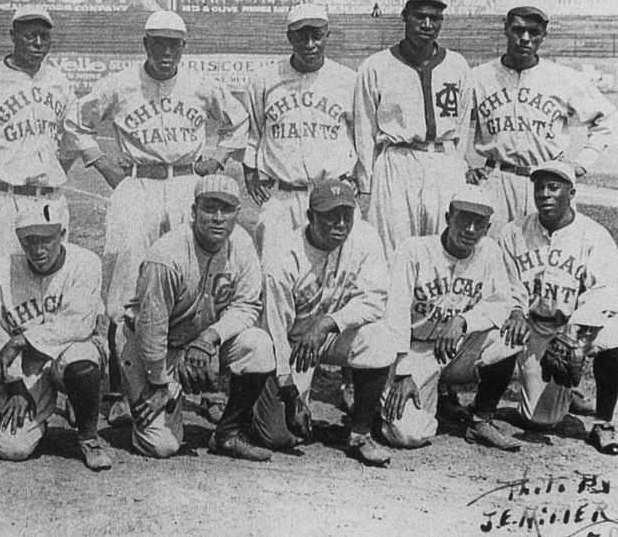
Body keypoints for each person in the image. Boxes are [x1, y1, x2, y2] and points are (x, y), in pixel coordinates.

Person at [64, 10, 247, 414]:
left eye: (174, 43)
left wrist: (215, 161)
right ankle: (117, 386)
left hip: (185, 181)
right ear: (144, 44)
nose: (166, 51)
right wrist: (101, 163)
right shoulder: (120, 84)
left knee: (190, 275)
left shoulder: (199, 84)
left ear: (184, 47)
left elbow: (239, 119)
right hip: (137, 182)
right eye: (158, 42)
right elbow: (76, 121)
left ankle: (194, 383)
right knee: (127, 276)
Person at [0, 5, 78, 393]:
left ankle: (43, 383)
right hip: (4, 198)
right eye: (29, 34)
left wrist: (51, 173)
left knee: (50, 289)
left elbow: (73, 137)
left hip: (48, 199)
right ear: (13, 35)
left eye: (44, 35)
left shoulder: (59, 81)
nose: (37, 42)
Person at [121, 174, 277, 461]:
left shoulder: (241, 242)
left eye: (226, 209)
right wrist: (158, 385)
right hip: (151, 349)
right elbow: (150, 327)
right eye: (210, 208)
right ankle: (137, 402)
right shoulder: (168, 254)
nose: (218, 217)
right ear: (194, 211)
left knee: (259, 345)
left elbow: (248, 306)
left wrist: (210, 339)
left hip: (199, 341)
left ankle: (227, 433)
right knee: (163, 446)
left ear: (237, 214)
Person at [257, 179, 394, 466]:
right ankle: (253, 405)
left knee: (379, 337)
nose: (340, 223)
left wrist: (327, 323)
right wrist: (289, 391)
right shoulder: (283, 254)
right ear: (310, 217)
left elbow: (376, 299)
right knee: (278, 437)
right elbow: (274, 329)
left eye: (346, 215)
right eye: (330, 215)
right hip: (294, 344)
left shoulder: (366, 238)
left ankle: (360, 434)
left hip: (333, 334)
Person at [381, 185, 524, 450]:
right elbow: (395, 314)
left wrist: (463, 321)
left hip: (454, 350)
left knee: (509, 338)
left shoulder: (489, 252)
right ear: (448, 218)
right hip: (411, 349)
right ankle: (423, 399)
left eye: (478, 222)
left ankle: (481, 419)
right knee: (407, 436)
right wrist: (403, 372)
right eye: (464, 218)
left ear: (488, 227)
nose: (470, 229)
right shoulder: (414, 251)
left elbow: (502, 302)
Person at [466, 0, 617, 236]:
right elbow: (450, 125)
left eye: (534, 32)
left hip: (545, 180)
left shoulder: (563, 77)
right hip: (495, 179)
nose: (525, 38)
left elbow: (607, 117)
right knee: (490, 256)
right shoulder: (478, 77)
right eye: (518, 30)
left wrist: (581, 163)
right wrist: (464, 166)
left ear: (543, 35)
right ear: (506, 28)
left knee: (544, 255)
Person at [0, 197, 112, 470]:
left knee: (83, 361)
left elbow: (80, 324)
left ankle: (88, 436)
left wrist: (23, 339)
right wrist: (15, 386)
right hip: (28, 364)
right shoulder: (0, 271)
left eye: (46, 239)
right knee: (11, 448)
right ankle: (35, 416)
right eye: (29, 241)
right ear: (19, 241)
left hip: (73, 350)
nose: (38, 249)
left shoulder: (86, 262)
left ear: (62, 234)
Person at [497, 162, 618, 454]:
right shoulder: (515, 232)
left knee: (616, 333)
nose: (545, 194)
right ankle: (564, 395)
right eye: (540, 187)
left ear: (571, 192)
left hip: (575, 330)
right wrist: (515, 311)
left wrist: (575, 334)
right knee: (539, 421)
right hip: (533, 327)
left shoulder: (595, 236)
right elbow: (506, 283)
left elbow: (606, 293)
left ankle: (603, 422)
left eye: (554, 187)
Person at [354, 0, 472, 252]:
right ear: (404, 17)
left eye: (435, 18)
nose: (427, 24)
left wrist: (456, 167)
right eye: (419, 16)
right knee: (391, 248)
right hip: (397, 161)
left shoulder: (457, 65)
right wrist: (366, 183)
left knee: (443, 246)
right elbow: (364, 130)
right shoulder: (376, 66)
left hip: (443, 161)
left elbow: (462, 126)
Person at [242, 4, 358, 250]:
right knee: (273, 274)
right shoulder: (264, 79)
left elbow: (361, 136)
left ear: (327, 35)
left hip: (332, 195)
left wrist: (355, 177)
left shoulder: (347, 80)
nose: (310, 44)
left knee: (331, 277)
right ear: (289, 37)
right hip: (281, 196)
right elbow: (253, 131)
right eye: (301, 36)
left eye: (317, 35)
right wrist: (250, 171)